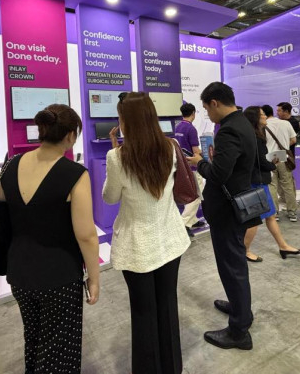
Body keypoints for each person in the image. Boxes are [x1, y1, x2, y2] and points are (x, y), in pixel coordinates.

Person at [0, 104, 100, 374]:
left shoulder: (12, 164)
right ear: (70, 136)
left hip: (19, 273)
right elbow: (86, 235)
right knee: (58, 351)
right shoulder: (75, 174)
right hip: (59, 276)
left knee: (34, 338)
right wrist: (94, 278)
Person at [103, 92, 190, 374]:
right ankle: (172, 367)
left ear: (125, 121)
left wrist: (115, 155)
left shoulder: (116, 157)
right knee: (167, 305)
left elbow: (110, 197)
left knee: (143, 313)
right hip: (171, 240)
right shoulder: (170, 147)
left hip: (137, 246)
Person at [187, 82, 260, 351]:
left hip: (228, 210)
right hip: (238, 204)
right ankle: (240, 308)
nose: (207, 114)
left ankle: (239, 331)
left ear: (215, 103)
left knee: (232, 266)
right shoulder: (243, 122)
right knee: (235, 263)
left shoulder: (229, 129)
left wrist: (199, 163)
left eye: (207, 108)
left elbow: (218, 174)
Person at [242, 106, 300, 262]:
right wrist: (272, 163)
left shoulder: (256, 135)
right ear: (255, 118)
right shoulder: (255, 138)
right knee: (255, 219)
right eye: (262, 115)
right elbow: (260, 162)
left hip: (259, 181)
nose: (265, 117)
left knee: (270, 216)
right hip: (257, 182)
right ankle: (244, 250)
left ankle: (283, 246)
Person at [174, 102, 206, 237]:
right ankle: (184, 224)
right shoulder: (191, 129)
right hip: (192, 166)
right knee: (197, 195)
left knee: (192, 193)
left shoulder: (178, 127)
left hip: (182, 165)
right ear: (193, 113)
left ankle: (193, 220)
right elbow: (195, 150)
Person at [263, 104, 298, 222]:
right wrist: (284, 145)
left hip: (270, 157)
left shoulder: (263, 125)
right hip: (283, 156)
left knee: (272, 185)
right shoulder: (286, 123)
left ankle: (275, 213)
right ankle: (292, 212)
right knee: (287, 185)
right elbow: (294, 140)